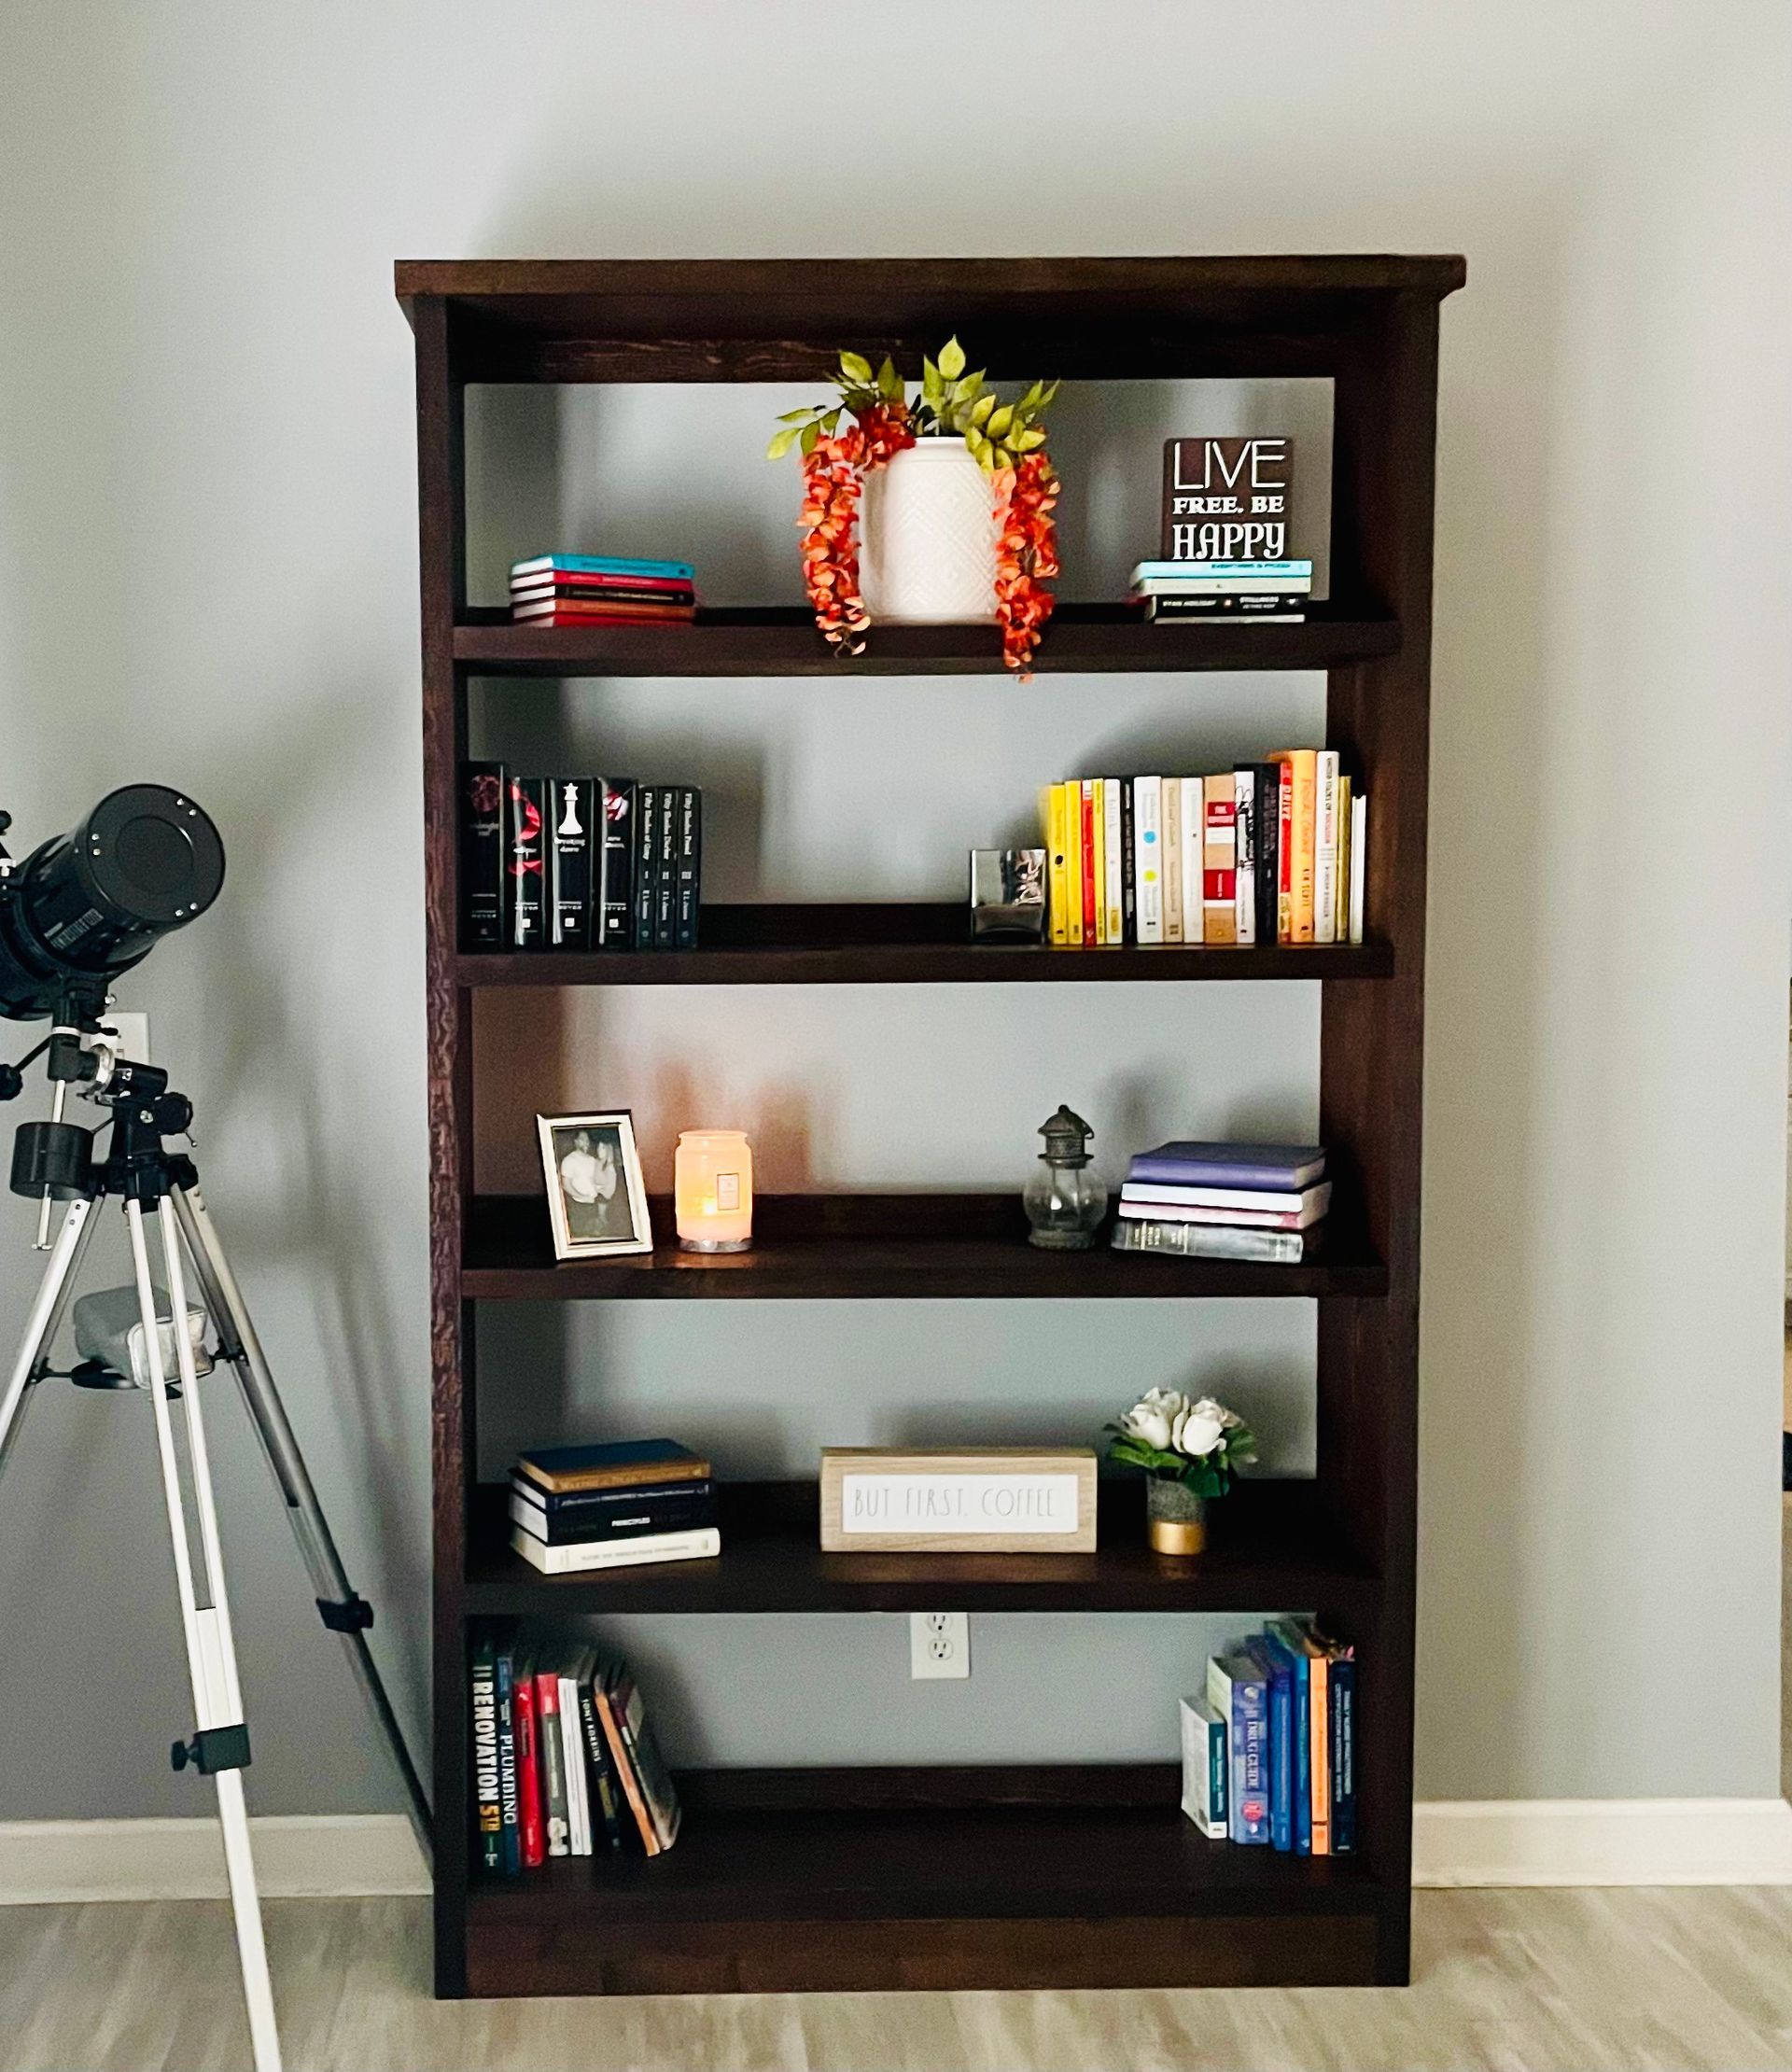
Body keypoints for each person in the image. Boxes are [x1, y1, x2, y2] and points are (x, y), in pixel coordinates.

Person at [558, 1128, 630, 1243]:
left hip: (595, 1205)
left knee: (597, 1237)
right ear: (576, 1141)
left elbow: (600, 1181)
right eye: (582, 1139)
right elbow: (566, 1185)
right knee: (581, 1238)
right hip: (579, 1206)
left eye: (587, 1140)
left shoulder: (593, 1160)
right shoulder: (569, 1160)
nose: (586, 1142)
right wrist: (582, 1196)